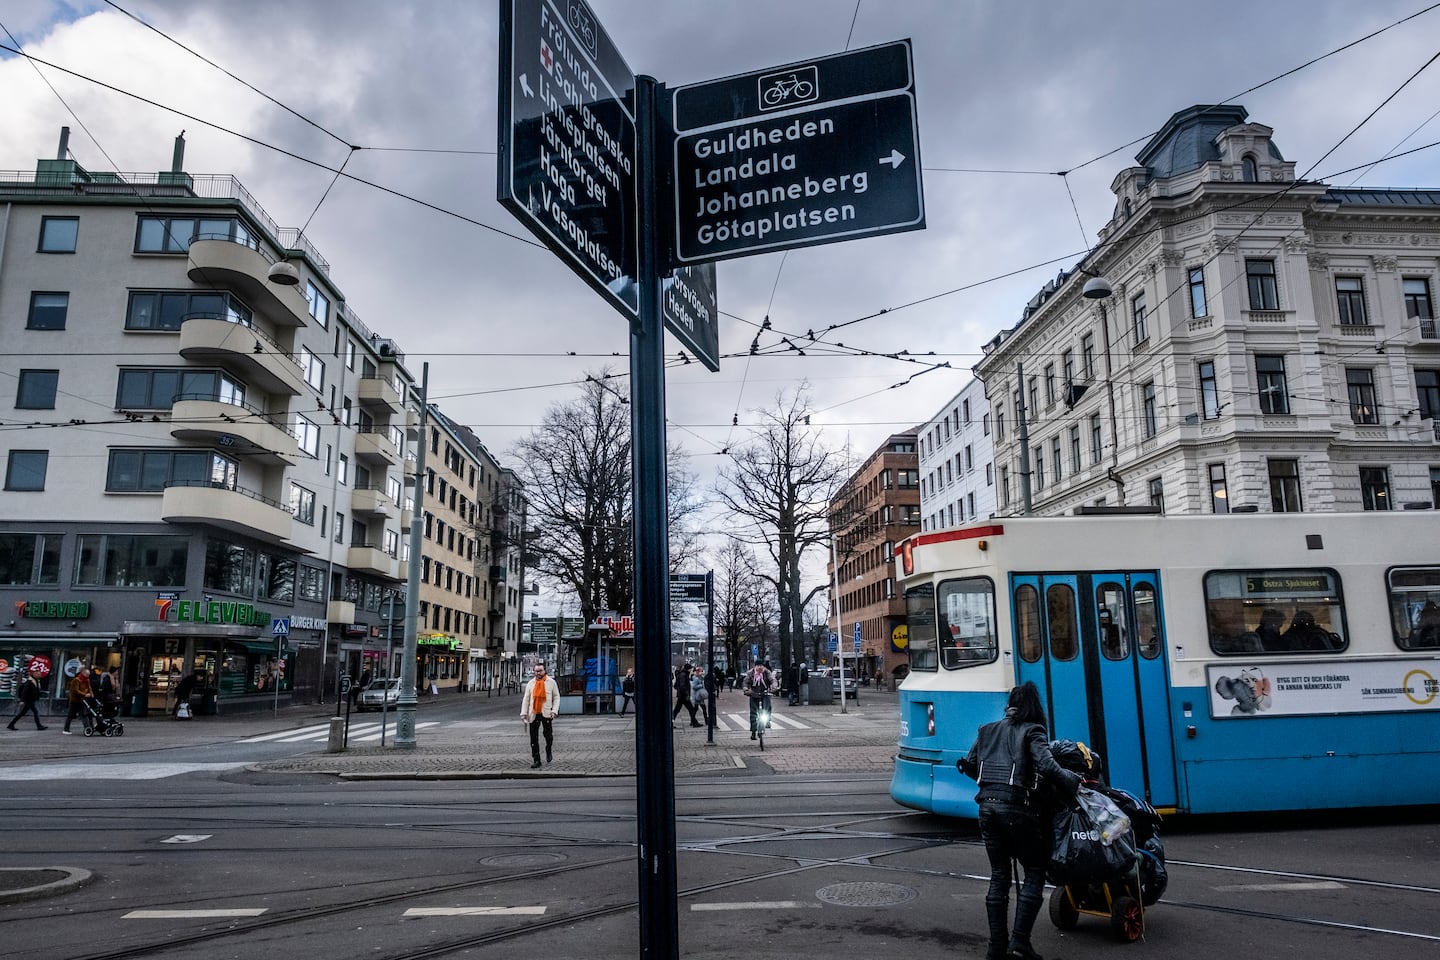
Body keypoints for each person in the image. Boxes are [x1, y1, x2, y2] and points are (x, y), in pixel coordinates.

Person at [958, 681, 1080, 960]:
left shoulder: (987, 730)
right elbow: (1048, 766)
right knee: (1035, 871)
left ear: (1011, 704)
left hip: (986, 808)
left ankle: (996, 948)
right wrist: (1074, 782)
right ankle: (1020, 943)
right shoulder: (1033, 730)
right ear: (1034, 706)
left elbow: (972, 765)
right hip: (1018, 808)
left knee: (999, 874)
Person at [520, 662, 559, 769]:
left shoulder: (551, 682)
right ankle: (536, 759)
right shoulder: (530, 683)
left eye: (540, 670)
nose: (538, 673)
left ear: (544, 671)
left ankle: (548, 749)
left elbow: (556, 697)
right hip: (533, 713)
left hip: (546, 713)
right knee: (533, 738)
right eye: (536, 671)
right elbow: (526, 699)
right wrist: (524, 713)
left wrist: (554, 711)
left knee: (548, 735)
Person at [742, 661, 776, 741]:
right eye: (758, 665)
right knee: (753, 712)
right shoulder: (751, 673)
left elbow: (772, 680)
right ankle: (753, 731)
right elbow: (745, 682)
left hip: (765, 693)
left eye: (761, 665)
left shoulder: (767, 672)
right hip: (754, 694)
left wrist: (774, 688)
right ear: (755, 666)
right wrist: (746, 690)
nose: (759, 667)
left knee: (767, 707)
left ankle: (767, 721)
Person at [7, 663, 46, 731]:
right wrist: (22, 700)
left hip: (31, 699)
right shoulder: (29, 682)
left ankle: (11, 724)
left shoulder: (36, 681)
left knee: (22, 713)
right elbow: (24, 691)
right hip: (29, 700)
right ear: (34, 674)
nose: (39, 675)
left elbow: (36, 690)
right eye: (38, 673)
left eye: (40, 673)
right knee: (35, 712)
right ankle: (39, 726)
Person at [62, 665, 94, 734]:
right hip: (74, 700)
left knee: (83, 715)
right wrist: (85, 694)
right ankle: (66, 729)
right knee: (70, 715)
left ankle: (87, 728)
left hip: (82, 700)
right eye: (86, 674)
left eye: (88, 675)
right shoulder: (76, 680)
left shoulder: (87, 680)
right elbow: (75, 690)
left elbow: (89, 688)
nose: (87, 676)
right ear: (83, 673)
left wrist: (91, 694)